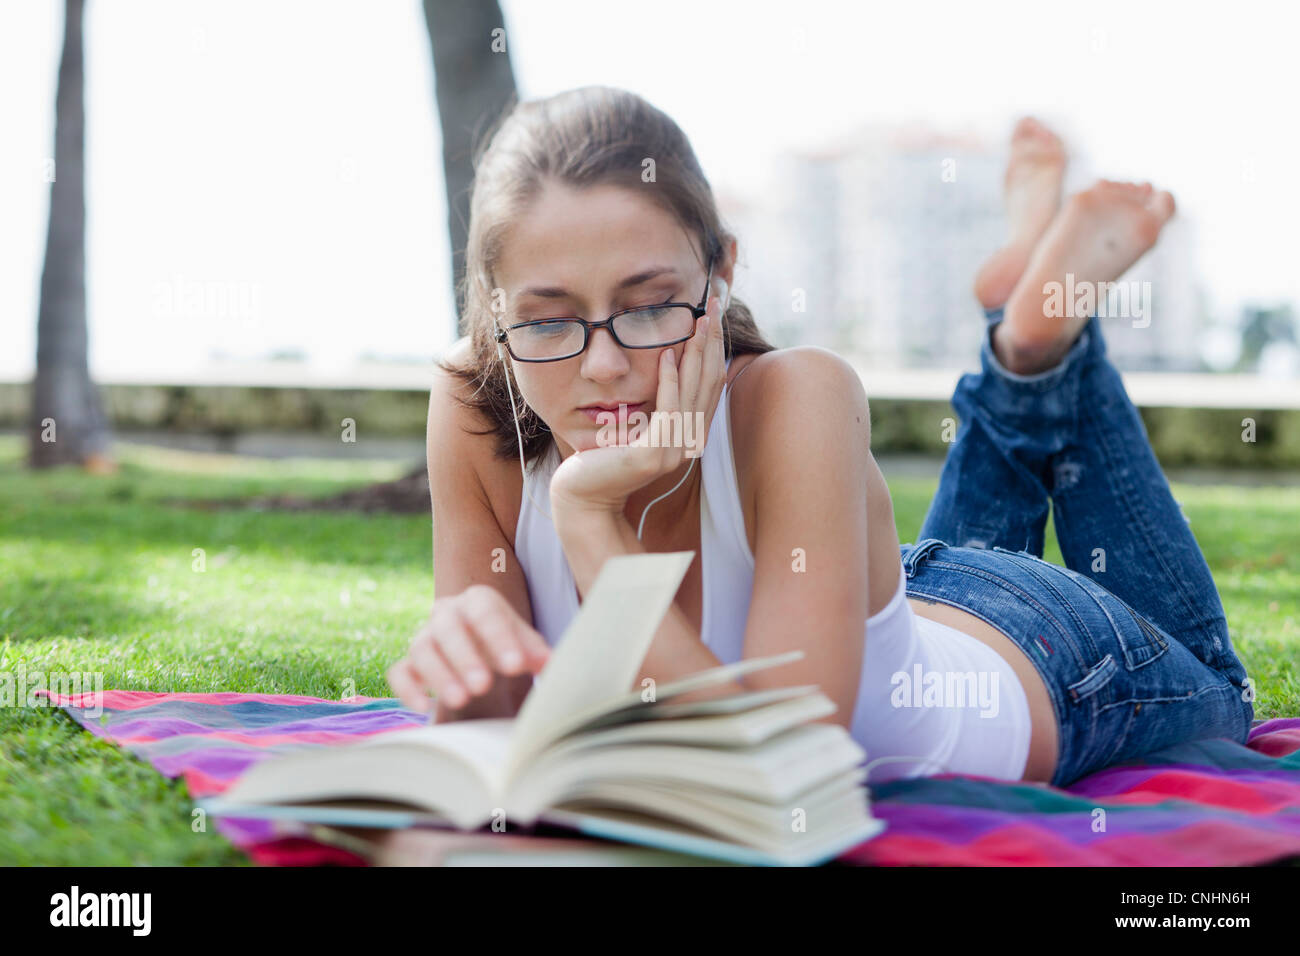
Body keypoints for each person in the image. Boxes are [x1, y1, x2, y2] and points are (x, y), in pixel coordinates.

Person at [387, 87, 1253, 788]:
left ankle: (1032, 340)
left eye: (649, 305)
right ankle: (1019, 326)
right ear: (493, 312)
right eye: (547, 319)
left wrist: (589, 519)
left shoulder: (799, 396)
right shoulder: (476, 401)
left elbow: (779, 768)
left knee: (1221, 689)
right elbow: (498, 731)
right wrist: (464, 680)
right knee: (930, 592)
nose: (605, 365)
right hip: (904, 598)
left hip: (1058, 656)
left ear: (721, 271)